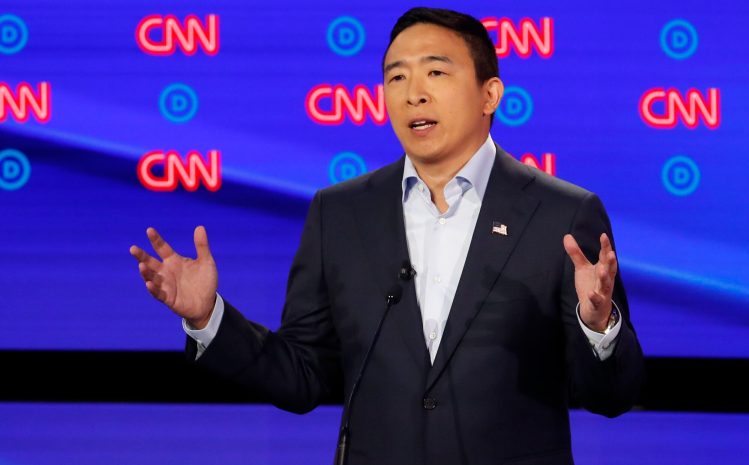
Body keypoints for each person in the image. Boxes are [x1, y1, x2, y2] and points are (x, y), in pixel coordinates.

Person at [130, 7, 644, 465]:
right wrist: (209, 319)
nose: (413, 92)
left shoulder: (563, 214)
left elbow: (612, 396)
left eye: (437, 73)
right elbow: (304, 376)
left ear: (490, 94)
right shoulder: (341, 213)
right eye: (396, 77)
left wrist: (598, 327)